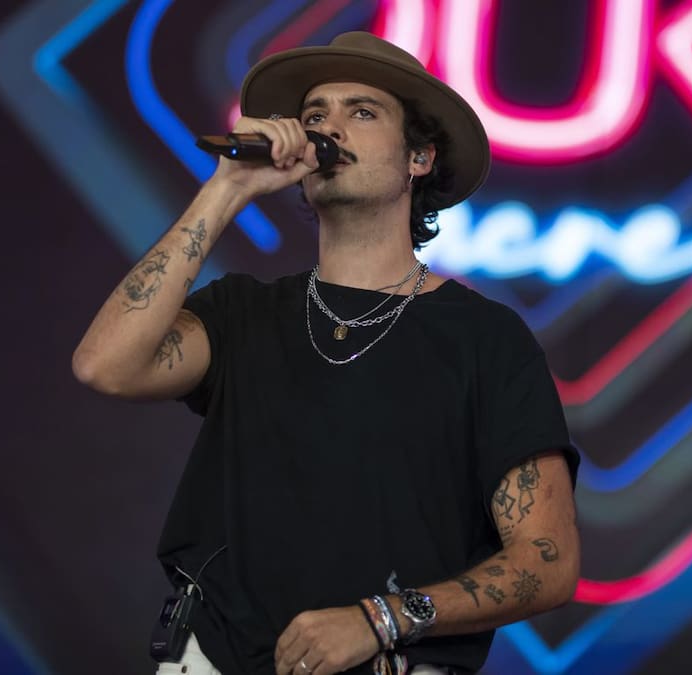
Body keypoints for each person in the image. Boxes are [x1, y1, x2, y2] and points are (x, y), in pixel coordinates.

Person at [73, 31, 581, 675]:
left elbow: (547, 559)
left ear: (418, 158)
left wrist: (381, 617)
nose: (327, 128)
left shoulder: (484, 338)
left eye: (361, 112)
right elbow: (105, 366)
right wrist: (227, 189)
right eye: (314, 115)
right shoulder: (242, 312)